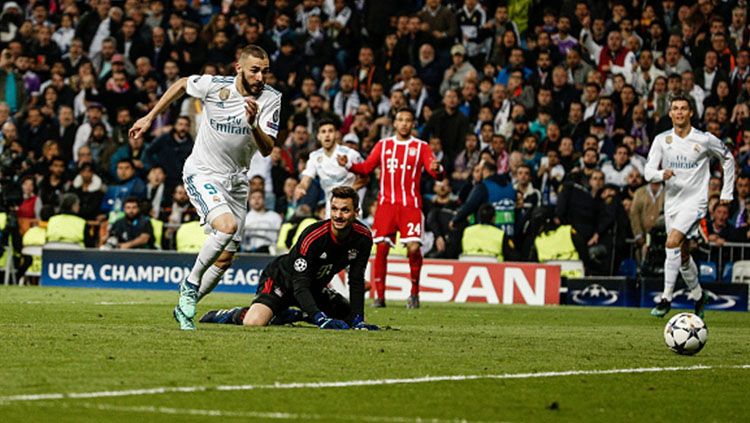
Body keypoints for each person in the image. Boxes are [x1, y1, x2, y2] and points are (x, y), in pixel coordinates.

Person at [129, 45, 280, 331]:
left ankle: (186, 305)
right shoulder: (215, 86)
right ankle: (190, 283)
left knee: (225, 259)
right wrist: (150, 117)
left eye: (265, 71)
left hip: (237, 182)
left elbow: (267, 149)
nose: (261, 77)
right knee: (226, 226)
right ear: (239, 68)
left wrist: (253, 125)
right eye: (255, 70)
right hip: (203, 173)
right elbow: (182, 84)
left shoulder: (272, 99)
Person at [200, 186, 378, 331]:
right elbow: (299, 284)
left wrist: (358, 319)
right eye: (335, 209)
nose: (338, 215)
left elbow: (355, 280)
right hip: (282, 281)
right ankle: (231, 314)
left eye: (345, 210)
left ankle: (292, 314)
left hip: (315, 288)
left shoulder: (363, 238)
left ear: (356, 212)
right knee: (254, 322)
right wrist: (319, 318)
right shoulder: (313, 236)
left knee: (348, 319)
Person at [338, 107, 444, 308]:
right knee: (381, 249)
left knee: (413, 248)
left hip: (411, 205)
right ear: (394, 123)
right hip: (386, 205)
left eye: (408, 120)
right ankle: (379, 297)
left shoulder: (421, 146)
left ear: (413, 124)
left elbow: (434, 169)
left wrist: (437, 169)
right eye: (400, 120)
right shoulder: (383, 145)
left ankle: (414, 293)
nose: (404, 123)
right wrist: (349, 165)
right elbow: (367, 167)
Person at [644, 94, 735, 318]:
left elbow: (728, 158)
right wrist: (660, 173)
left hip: (695, 202)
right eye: (675, 108)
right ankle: (698, 295)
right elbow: (648, 172)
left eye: (683, 108)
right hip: (673, 202)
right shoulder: (662, 140)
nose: (679, 112)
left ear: (691, 112)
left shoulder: (703, 139)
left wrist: (727, 192)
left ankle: (666, 298)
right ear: (670, 113)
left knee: (671, 242)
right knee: (682, 256)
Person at [294, 118, 366, 217]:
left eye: (330, 131)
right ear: (318, 136)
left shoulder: (350, 154)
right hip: (330, 208)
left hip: (350, 207)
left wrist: (348, 193)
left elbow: (365, 177)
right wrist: (301, 188)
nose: (327, 135)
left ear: (336, 134)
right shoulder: (315, 157)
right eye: (323, 132)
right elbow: (306, 179)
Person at [241, 189, 282, 253]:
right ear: (249, 200)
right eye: (253, 198)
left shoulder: (275, 217)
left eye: (259, 197)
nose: (256, 200)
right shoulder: (244, 218)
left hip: (269, 251)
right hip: (248, 252)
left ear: (264, 200)